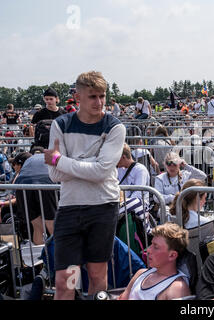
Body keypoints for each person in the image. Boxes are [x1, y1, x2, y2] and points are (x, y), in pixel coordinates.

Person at [44, 71, 126, 300]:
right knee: (65, 280)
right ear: (78, 96)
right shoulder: (61, 124)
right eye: (93, 96)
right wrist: (88, 165)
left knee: (97, 275)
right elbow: (53, 175)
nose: (99, 102)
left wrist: (62, 160)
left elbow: (100, 172)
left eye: (102, 96)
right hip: (70, 208)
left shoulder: (115, 126)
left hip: (103, 207)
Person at [118, 222, 191, 300]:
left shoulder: (177, 288)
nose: (148, 250)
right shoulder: (140, 274)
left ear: (172, 255)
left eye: (156, 247)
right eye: (151, 244)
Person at [14, 150, 57, 245]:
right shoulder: (52, 156)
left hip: (22, 185)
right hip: (45, 183)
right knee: (51, 224)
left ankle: (41, 256)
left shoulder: (29, 161)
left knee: (37, 226)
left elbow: (16, 181)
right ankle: (59, 256)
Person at [117, 143, 153, 233]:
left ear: (123, 157)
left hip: (140, 204)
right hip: (124, 203)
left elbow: (138, 194)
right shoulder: (119, 169)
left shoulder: (141, 170)